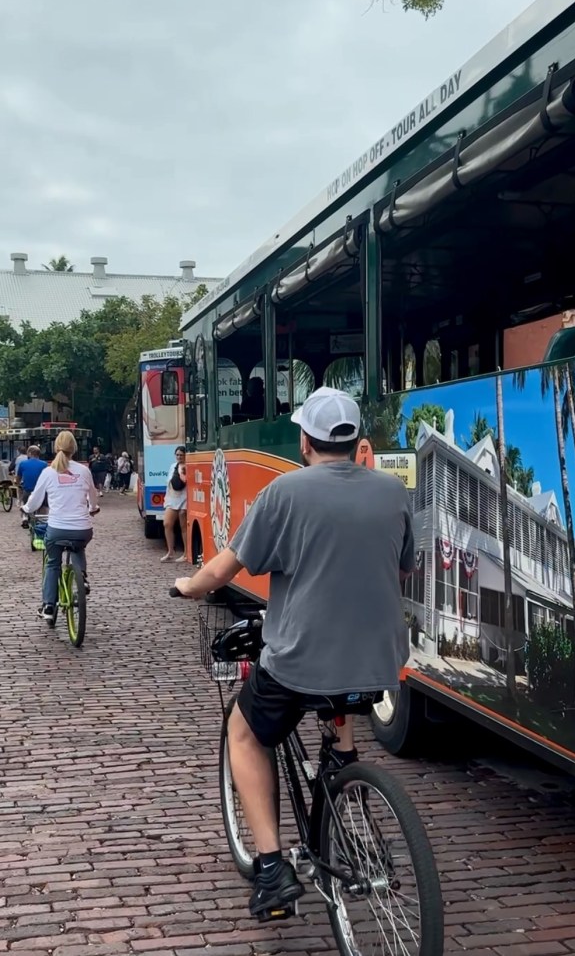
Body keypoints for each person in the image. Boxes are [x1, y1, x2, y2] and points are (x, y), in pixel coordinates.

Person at [173, 387, 414, 918]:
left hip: (302, 658)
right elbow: (402, 567)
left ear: (306, 440)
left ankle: (271, 868)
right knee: (341, 689)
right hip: (380, 659)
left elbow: (224, 569)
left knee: (243, 730)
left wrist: (188, 586)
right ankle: (345, 761)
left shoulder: (285, 493)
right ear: (355, 442)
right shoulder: (392, 493)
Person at [21, 431, 100, 624]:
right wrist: (92, 508)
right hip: (82, 529)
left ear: (56, 448)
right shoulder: (84, 470)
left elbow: (35, 501)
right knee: (78, 545)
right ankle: (82, 576)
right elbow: (93, 496)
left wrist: (26, 509)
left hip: (56, 529)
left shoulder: (48, 472)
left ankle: (48, 605)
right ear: (75, 449)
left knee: (52, 563)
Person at [161, 446, 187, 563]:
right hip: (172, 498)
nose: (179, 457)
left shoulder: (188, 466)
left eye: (181, 455)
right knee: (167, 523)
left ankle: (186, 553)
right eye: (177, 455)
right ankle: (170, 551)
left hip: (184, 497)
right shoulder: (173, 466)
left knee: (183, 526)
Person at [17, 445, 48, 526]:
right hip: (40, 491)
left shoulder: (23, 463)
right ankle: (41, 519)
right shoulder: (44, 464)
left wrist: (17, 484)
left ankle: (25, 518)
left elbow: (19, 477)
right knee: (42, 505)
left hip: (28, 489)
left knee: (24, 501)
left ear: (30, 453)